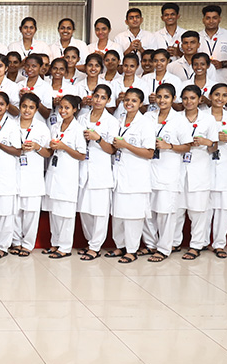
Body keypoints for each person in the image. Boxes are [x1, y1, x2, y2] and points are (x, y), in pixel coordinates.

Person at [109, 88, 156, 264]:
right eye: (127, 100)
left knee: (133, 215)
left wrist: (126, 145)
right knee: (119, 214)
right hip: (120, 173)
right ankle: (120, 245)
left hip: (136, 176)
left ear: (141, 104)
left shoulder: (145, 124)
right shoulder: (119, 121)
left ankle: (132, 249)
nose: (129, 103)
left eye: (134, 101)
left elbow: (149, 152)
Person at [173, 84, 219, 261]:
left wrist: (207, 142)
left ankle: (196, 245)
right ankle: (175, 241)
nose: (188, 102)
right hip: (179, 167)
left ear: (200, 99)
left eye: (192, 98)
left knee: (198, 210)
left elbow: (214, 146)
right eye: (185, 98)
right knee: (177, 208)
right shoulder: (176, 118)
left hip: (200, 167)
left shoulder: (208, 120)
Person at [143, 84, 186, 262]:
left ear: (173, 98)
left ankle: (164, 248)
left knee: (165, 211)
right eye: (159, 97)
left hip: (169, 169)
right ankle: (151, 244)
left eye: (166, 97)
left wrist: (169, 146)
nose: (162, 100)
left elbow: (187, 145)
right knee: (147, 210)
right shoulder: (147, 116)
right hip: (148, 168)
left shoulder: (179, 119)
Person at [77, 85, 116, 261]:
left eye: (103, 97)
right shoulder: (82, 118)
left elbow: (112, 150)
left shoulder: (112, 122)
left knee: (100, 211)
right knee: (85, 210)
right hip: (83, 168)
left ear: (108, 100)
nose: (98, 100)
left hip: (100, 169)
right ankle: (90, 241)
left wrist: (98, 139)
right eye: (96, 96)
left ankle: (95, 246)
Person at [43, 95, 85, 258]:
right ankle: (55, 243)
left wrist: (63, 147)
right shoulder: (55, 126)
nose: (63, 111)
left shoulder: (78, 129)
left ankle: (65, 247)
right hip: (54, 172)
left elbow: (81, 154)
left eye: (67, 108)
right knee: (54, 212)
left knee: (65, 213)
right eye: (61, 107)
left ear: (75, 110)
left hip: (68, 174)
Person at [207, 83, 227, 258]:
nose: (220, 98)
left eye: (224, 95)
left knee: (224, 207)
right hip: (206, 163)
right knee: (205, 206)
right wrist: (214, 139)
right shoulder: (203, 116)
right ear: (210, 96)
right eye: (217, 94)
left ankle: (219, 243)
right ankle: (202, 242)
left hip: (226, 163)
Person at [199, 4, 227, 82]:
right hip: (202, 82)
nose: (211, 21)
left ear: (220, 19)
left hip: (224, 82)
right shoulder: (197, 37)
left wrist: (222, 64)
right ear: (203, 20)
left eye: (214, 18)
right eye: (208, 18)